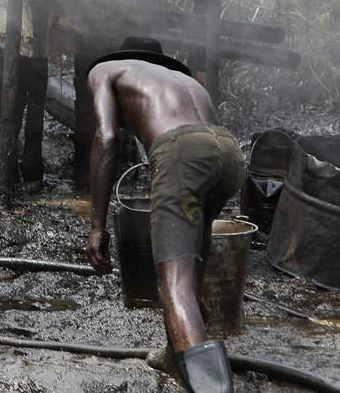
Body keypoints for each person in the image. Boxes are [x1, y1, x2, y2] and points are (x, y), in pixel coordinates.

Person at [84, 37, 245, 392]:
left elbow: (107, 137)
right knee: (192, 265)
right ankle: (177, 353)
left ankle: (210, 388)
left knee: (174, 285)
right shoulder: (182, 80)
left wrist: (97, 225)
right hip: (229, 153)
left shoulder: (104, 70)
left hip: (183, 151)